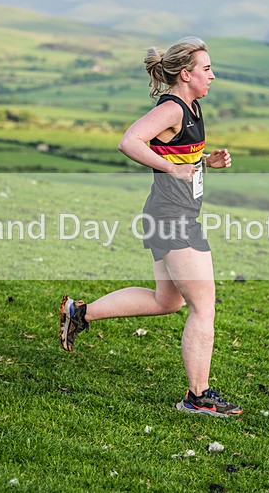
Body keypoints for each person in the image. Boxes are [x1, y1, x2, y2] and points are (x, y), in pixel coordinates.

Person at [59, 36, 243, 418]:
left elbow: (178, 154)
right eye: (207, 69)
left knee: (168, 301)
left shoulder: (191, 107)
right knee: (203, 307)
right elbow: (130, 141)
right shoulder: (173, 108)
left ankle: (80, 313)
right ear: (186, 74)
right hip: (173, 218)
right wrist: (172, 168)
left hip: (170, 213)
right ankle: (198, 396)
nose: (213, 76)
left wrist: (207, 161)